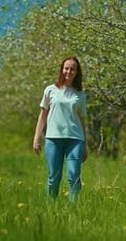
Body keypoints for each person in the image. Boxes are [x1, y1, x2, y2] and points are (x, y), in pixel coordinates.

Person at [33, 57, 87, 201]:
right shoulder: (50, 90)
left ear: (77, 72)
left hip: (75, 140)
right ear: (62, 69)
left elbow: (82, 120)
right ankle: (52, 208)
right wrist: (36, 138)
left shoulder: (80, 94)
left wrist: (85, 146)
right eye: (66, 68)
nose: (69, 71)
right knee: (53, 177)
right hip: (53, 139)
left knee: (74, 175)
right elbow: (42, 116)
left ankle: (74, 209)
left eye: (72, 68)